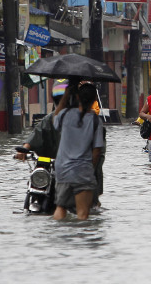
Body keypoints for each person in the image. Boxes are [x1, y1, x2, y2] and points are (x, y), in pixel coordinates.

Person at [52, 83, 105, 221]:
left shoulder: (64, 115)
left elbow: (54, 120)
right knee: (82, 214)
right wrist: (90, 170)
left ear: (77, 97)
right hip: (83, 171)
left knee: (60, 207)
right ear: (95, 100)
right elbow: (97, 150)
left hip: (62, 170)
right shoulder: (95, 120)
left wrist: (65, 97)